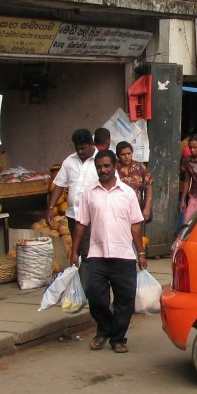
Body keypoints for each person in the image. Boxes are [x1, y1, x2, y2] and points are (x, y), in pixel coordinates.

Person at [72, 150, 146, 353]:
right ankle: (104, 328)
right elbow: (81, 223)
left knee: (125, 300)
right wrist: (74, 250)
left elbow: (136, 225)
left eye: (106, 166)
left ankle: (118, 339)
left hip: (123, 254)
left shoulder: (128, 193)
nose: (102, 170)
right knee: (94, 294)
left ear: (114, 166)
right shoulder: (89, 193)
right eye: (99, 167)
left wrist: (141, 253)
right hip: (97, 254)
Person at [47, 128, 99, 250]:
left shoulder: (101, 161)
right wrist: (50, 208)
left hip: (93, 216)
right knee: (78, 248)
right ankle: (80, 268)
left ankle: (85, 268)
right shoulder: (69, 161)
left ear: (91, 144)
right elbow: (59, 185)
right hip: (73, 215)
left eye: (83, 148)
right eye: (77, 148)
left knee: (88, 250)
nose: (80, 151)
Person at [115, 140, 153, 222]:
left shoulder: (140, 167)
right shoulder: (114, 168)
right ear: (118, 155)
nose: (127, 157)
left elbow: (149, 186)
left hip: (136, 210)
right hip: (117, 211)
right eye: (123, 154)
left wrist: (147, 208)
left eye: (129, 153)